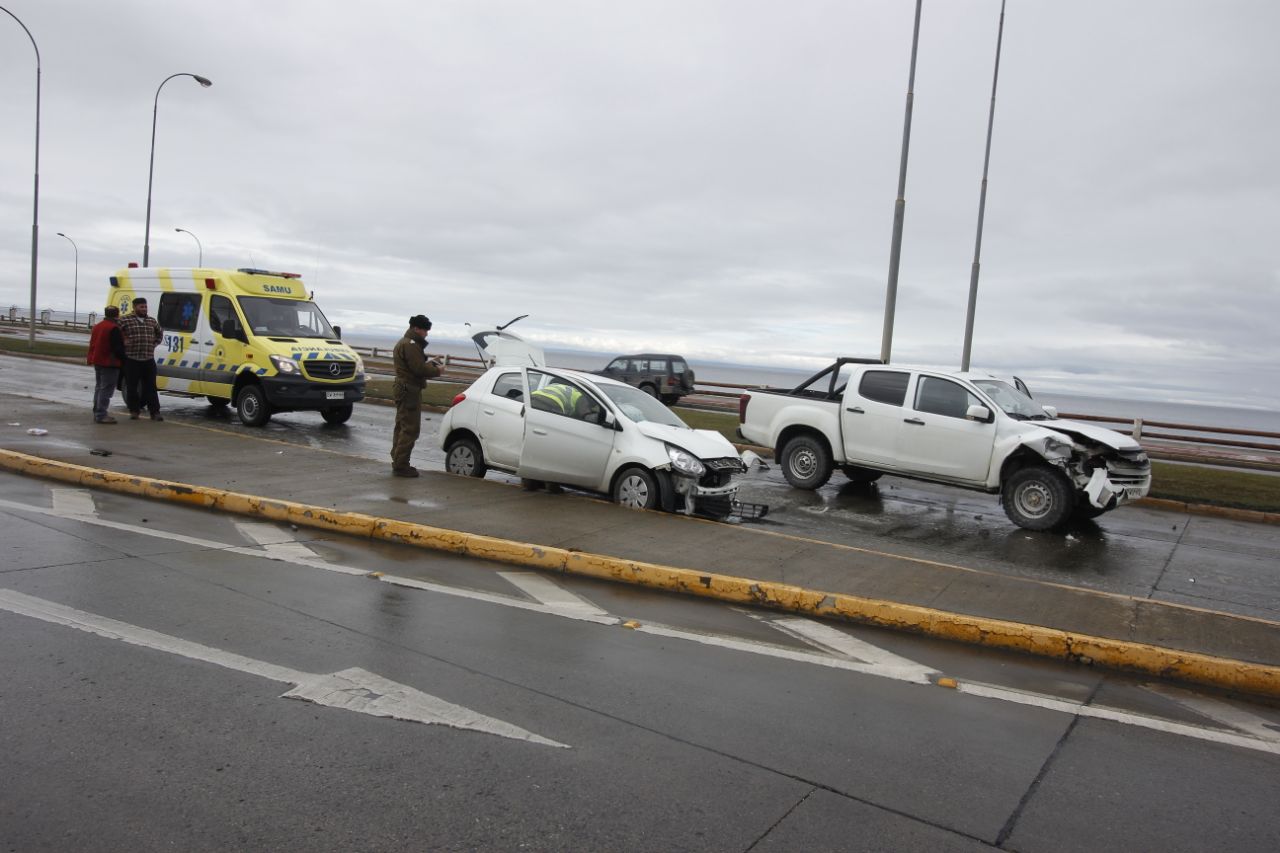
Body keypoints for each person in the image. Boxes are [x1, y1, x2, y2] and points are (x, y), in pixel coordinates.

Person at [390, 314, 442, 477]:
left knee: (402, 425)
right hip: (409, 389)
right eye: (425, 330)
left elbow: (414, 365)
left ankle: (398, 460)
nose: (426, 333)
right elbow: (418, 369)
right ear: (416, 329)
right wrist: (437, 370)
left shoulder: (405, 343)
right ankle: (401, 465)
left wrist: (429, 362)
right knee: (410, 428)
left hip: (404, 388)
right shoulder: (411, 345)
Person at [118, 296, 165, 421]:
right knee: (132, 387)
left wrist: (154, 343)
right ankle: (134, 410)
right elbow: (115, 333)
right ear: (134, 307)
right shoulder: (125, 320)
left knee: (151, 387)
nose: (144, 309)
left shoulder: (151, 321)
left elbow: (160, 333)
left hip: (148, 359)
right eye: (141, 307)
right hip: (132, 359)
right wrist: (124, 341)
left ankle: (155, 412)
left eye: (145, 307)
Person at [86, 306, 126, 424]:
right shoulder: (114, 328)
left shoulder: (98, 326)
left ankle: (97, 410)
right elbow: (116, 347)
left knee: (99, 387)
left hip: (98, 360)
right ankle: (101, 414)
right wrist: (124, 359)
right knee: (106, 389)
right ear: (117, 315)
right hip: (109, 362)